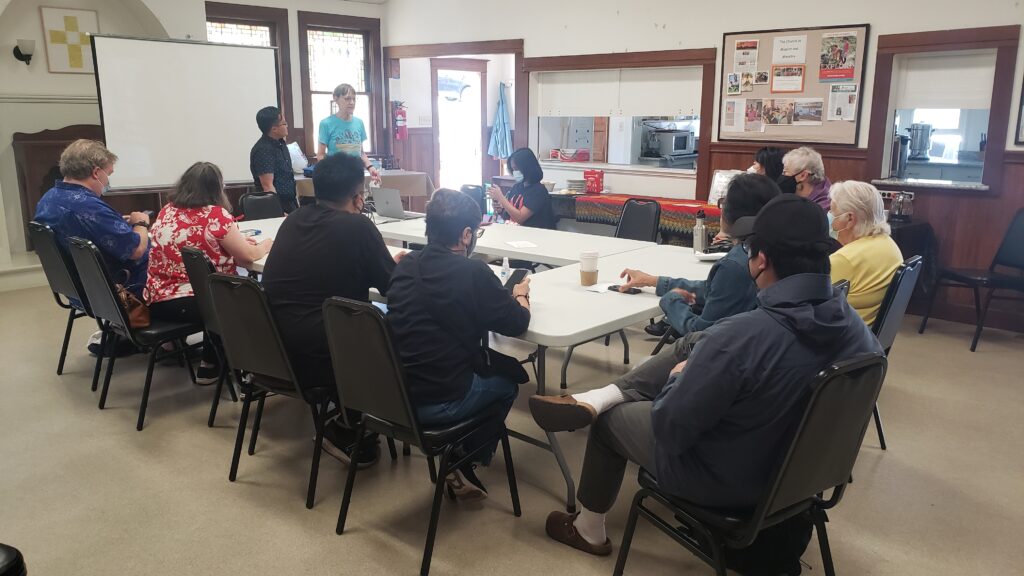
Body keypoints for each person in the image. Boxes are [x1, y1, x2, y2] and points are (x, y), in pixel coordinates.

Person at [529, 195, 882, 566]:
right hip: (802, 477)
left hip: (729, 481)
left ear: (761, 260)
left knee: (610, 421)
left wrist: (676, 380)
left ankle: (588, 529)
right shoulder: (861, 336)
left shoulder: (739, 339)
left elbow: (670, 429)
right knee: (696, 341)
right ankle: (607, 393)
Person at [387, 188, 531, 501]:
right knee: (508, 385)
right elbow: (517, 323)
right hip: (440, 399)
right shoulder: (472, 272)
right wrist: (521, 296)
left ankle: (458, 452)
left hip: (393, 395)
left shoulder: (405, 266)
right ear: (466, 235)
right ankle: (464, 457)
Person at [262, 153, 401, 467]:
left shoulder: (294, 219)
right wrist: (393, 265)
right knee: (389, 330)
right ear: (358, 197)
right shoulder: (358, 227)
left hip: (273, 349)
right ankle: (349, 429)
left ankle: (348, 418)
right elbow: (393, 288)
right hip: (323, 357)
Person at [146, 162, 273, 384]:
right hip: (195, 303)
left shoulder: (167, 211)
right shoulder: (216, 215)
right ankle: (215, 364)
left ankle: (207, 359)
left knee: (213, 290)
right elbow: (247, 257)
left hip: (157, 300)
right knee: (238, 298)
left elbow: (195, 242)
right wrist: (266, 244)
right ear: (216, 188)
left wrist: (236, 242)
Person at [621, 173, 779, 338]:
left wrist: (671, 301)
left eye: (724, 203)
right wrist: (653, 281)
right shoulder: (771, 251)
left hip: (721, 350)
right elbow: (712, 289)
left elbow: (700, 333)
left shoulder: (734, 265)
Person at [34, 139, 150, 298]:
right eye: (108, 174)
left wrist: (116, 221)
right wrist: (141, 222)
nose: (108, 181)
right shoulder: (89, 207)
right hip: (120, 286)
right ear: (96, 172)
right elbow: (136, 250)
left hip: (79, 288)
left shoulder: (49, 198)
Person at [828, 181, 904, 326]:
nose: (829, 217)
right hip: (867, 334)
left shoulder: (845, 259)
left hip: (843, 334)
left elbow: (810, 305)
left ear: (850, 219)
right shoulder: (889, 245)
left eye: (832, 211)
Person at [316, 83, 381, 185]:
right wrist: (329, 173)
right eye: (347, 99)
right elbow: (320, 155)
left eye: (354, 99)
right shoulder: (326, 124)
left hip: (356, 176)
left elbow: (361, 152)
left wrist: (371, 167)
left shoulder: (359, 123)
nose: (351, 102)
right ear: (336, 98)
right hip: (335, 178)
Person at [487, 148, 556, 229]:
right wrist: (501, 210)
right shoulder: (516, 187)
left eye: (516, 168)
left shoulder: (538, 191)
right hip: (518, 232)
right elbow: (510, 216)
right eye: (513, 169)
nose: (515, 172)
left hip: (536, 234)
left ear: (527, 167)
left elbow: (520, 218)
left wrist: (501, 198)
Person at [250, 106, 298, 214]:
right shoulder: (263, 150)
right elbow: (267, 186)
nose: (287, 126)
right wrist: (279, 212)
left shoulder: (281, 144)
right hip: (274, 207)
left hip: (289, 203)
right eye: (284, 124)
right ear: (274, 129)